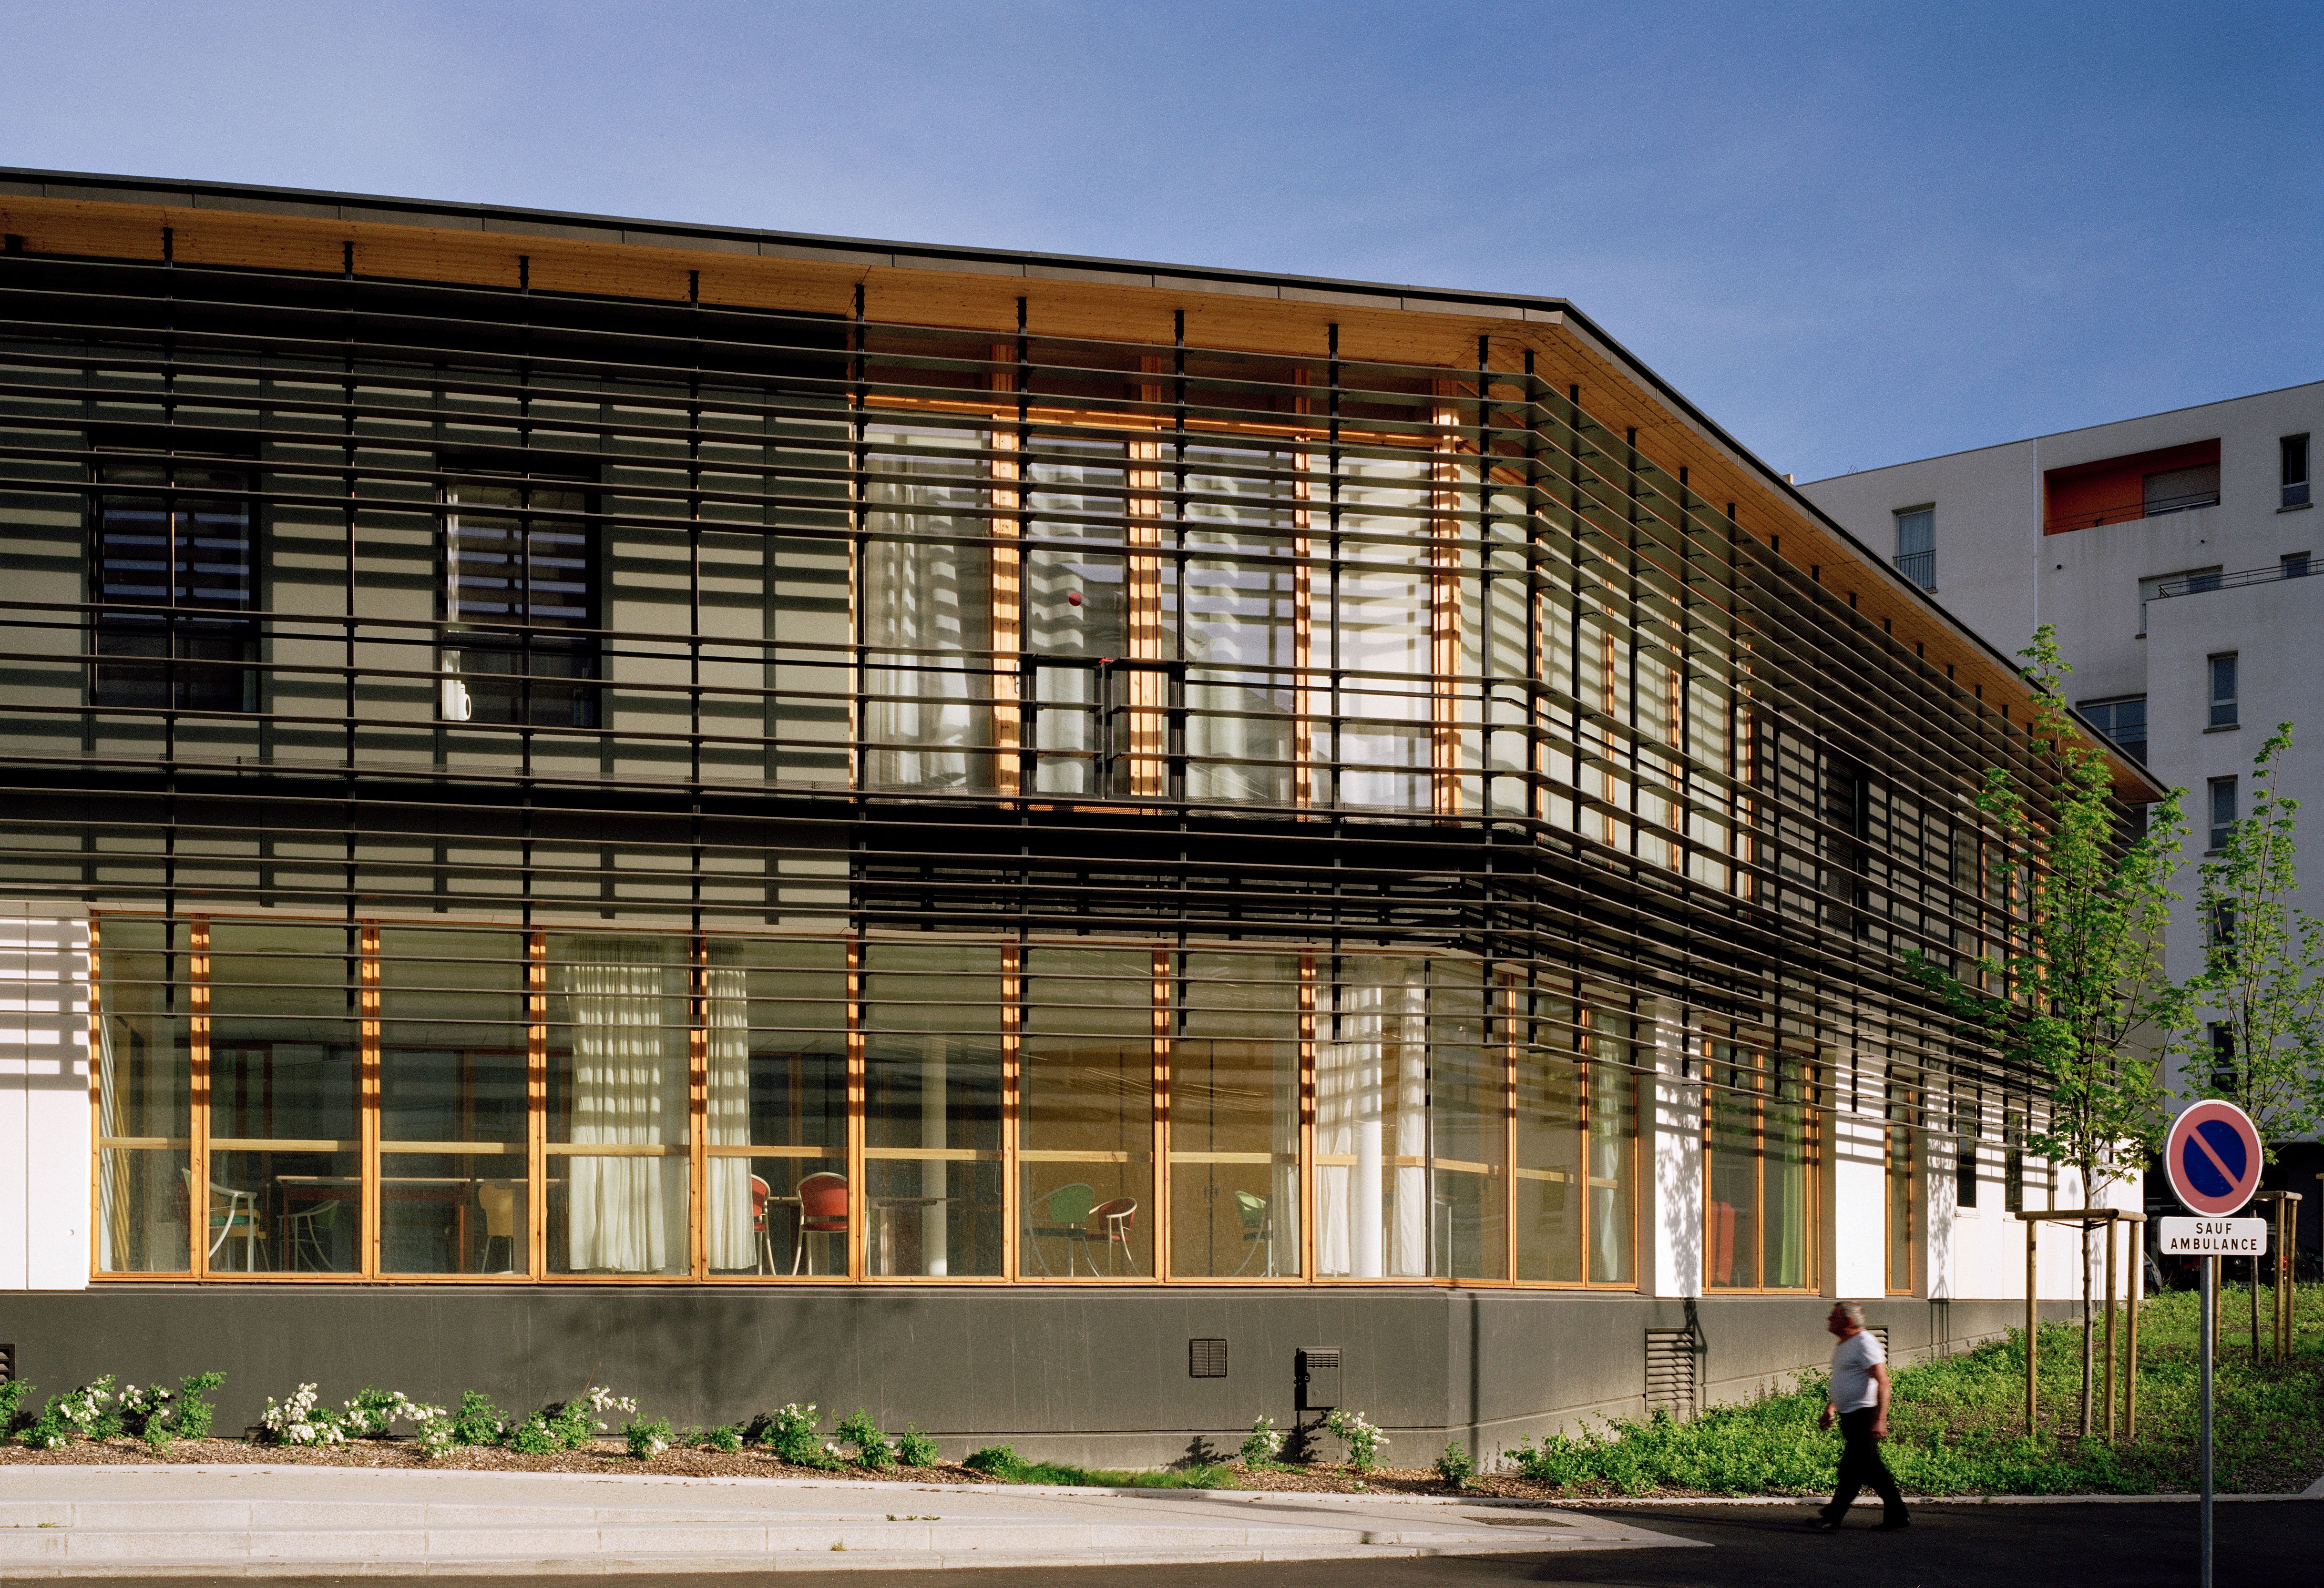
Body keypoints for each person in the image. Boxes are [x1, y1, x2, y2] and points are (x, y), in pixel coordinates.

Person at [1812, 1301, 1908, 1532]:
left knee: (1852, 1470)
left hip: (1865, 1415)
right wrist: (1831, 1408)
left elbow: (1883, 1381)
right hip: (1850, 1416)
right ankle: (1897, 1515)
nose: (1829, 1320)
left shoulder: (1865, 1343)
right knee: (1872, 1470)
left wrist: (1880, 1420)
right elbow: (1844, 1379)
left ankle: (1833, 1517)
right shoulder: (1845, 1344)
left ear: (1848, 1321)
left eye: (1834, 1317)